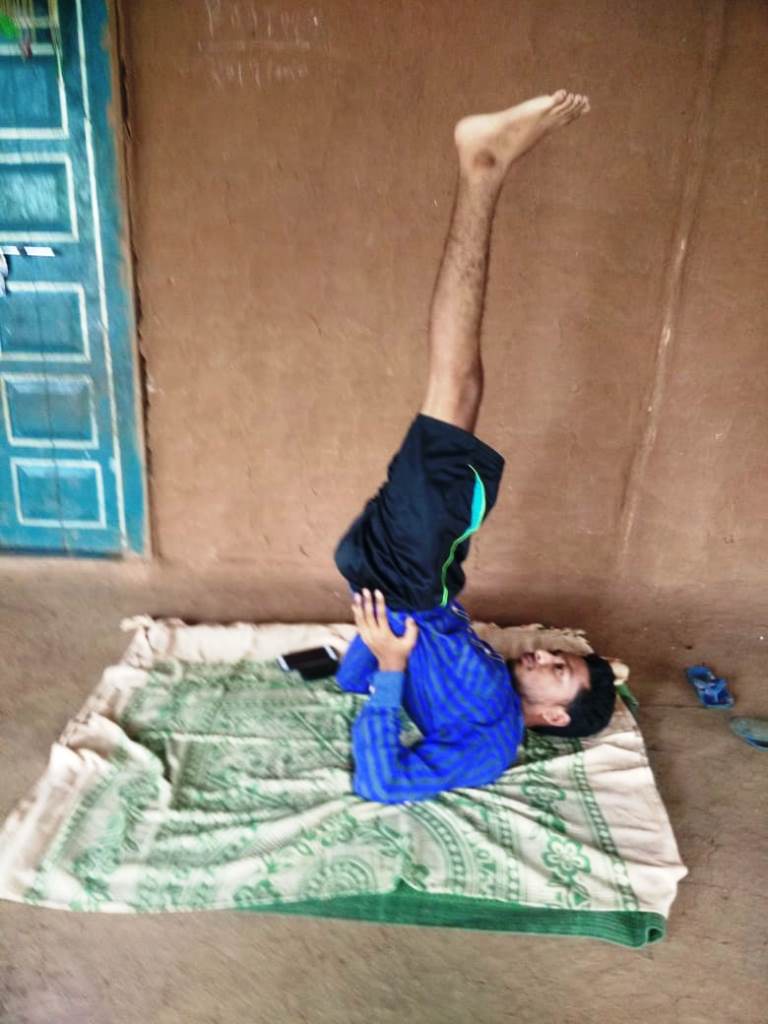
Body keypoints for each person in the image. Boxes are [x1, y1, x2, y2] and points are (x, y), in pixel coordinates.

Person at [333, 90, 616, 805]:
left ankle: (482, 169)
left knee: (455, 388)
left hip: (406, 582)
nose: (545, 653)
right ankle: (483, 170)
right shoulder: (494, 685)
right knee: (464, 388)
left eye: (559, 672)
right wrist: (369, 653)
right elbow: (351, 679)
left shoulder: (491, 744)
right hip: (418, 581)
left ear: (553, 718)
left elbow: (380, 783)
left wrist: (389, 662)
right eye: (558, 656)